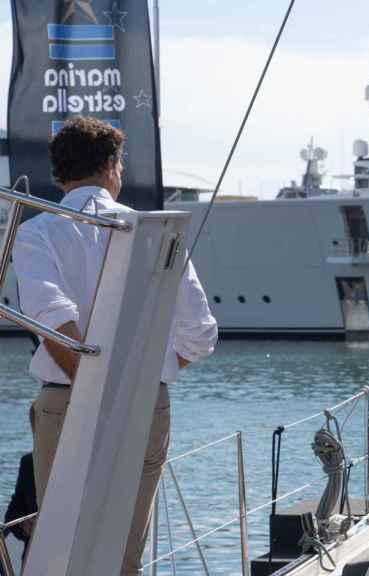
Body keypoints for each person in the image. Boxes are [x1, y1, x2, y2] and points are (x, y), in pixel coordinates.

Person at [11, 115, 218, 575]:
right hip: (147, 404)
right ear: (111, 166)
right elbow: (200, 333)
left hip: (64, 401)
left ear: (59, 173)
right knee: (122, 557)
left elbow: (53, 318)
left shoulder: (37, 233)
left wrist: (95, 390)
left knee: (61, 552)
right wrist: (144, 374)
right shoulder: (157, 232)